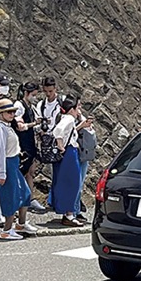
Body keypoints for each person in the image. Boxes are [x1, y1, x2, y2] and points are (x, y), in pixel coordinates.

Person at [0, 98, 36, 240]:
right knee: (10, 197)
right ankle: (7, 230)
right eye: (8, 112)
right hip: (6, 164)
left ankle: (20, 223)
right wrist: (2, 172)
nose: (12, 114)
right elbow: (0, 152)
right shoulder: (0, 129)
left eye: (13, 112)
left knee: (24, 192)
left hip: (12, 163)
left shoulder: (5, 126)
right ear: (0, 113)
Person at [50, 97, 85, 227]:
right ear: (72, 109)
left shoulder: (64, 118)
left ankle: (67, 212)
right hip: (69, 152)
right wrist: (61, 146)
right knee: (73, 182)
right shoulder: (69, 119)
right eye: (78, 107)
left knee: (64, 181)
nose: (79, 110)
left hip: (67, 153)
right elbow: (58, 131)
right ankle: (69, 214)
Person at [12, 81, 43, 211]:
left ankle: (30, 197)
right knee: (21, 171)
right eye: (33, 95)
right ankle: (20, 198)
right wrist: (34, 124)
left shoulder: (31, 106)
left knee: (31, 171)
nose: (34, 97)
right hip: (22, 143)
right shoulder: (19, 105)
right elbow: (19, 126)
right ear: (26, 93)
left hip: (31, 143)